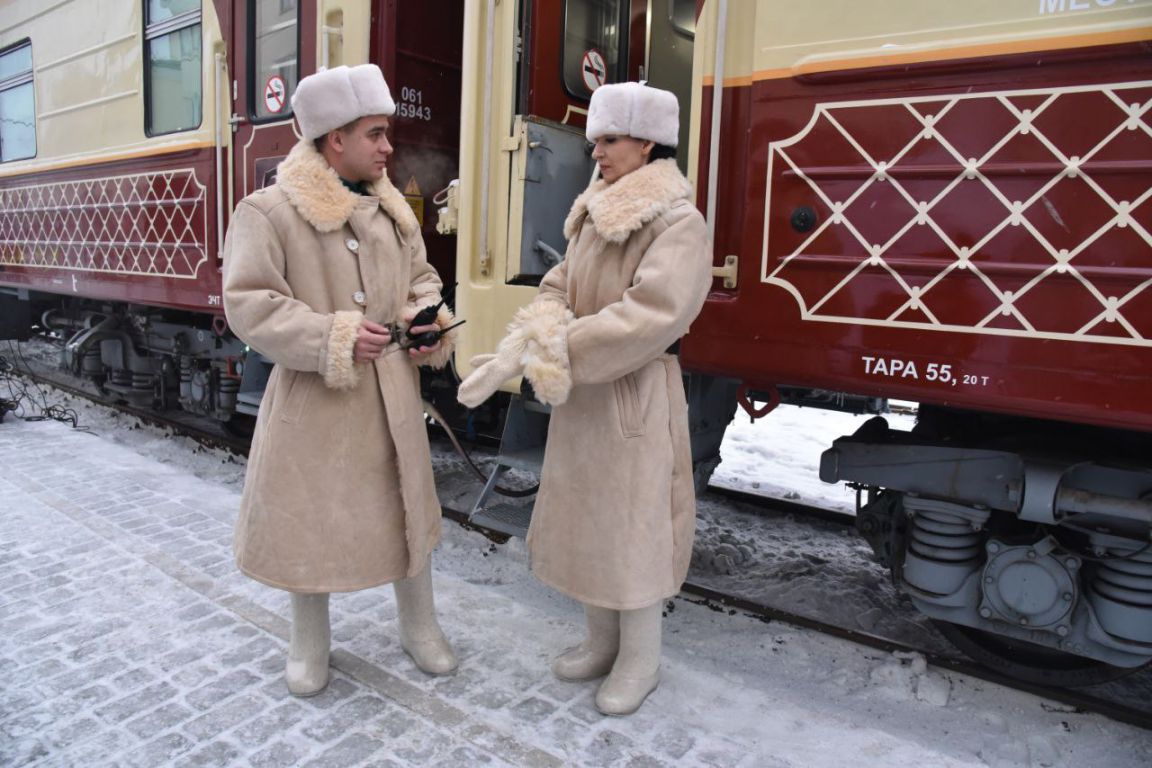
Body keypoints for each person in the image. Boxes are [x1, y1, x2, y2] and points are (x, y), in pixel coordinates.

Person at [457, 82, 712, 715]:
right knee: (593, 521)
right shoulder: (596, 211)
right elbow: (557, 283)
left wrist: (557, 346)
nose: (595, 150)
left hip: (633, 396)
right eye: (596, 139)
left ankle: (641, 658)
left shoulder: (678, 222)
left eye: (609, 139)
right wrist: (543, 328)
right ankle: (602, 642)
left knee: (634, 528)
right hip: (585, 396)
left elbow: (652, 316)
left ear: (647, 143)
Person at [222, 64, 458, 697]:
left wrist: (424, 320)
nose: (388, 147)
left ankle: (420, 627)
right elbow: (249, 304)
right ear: (335, 139)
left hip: (392, 397)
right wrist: (334, 336)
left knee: (406, 509)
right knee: (311, 518)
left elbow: (422, 280)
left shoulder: (391, 209)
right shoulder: (268, 212)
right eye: (375, 134)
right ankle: (309, 642)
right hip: (316, 398)